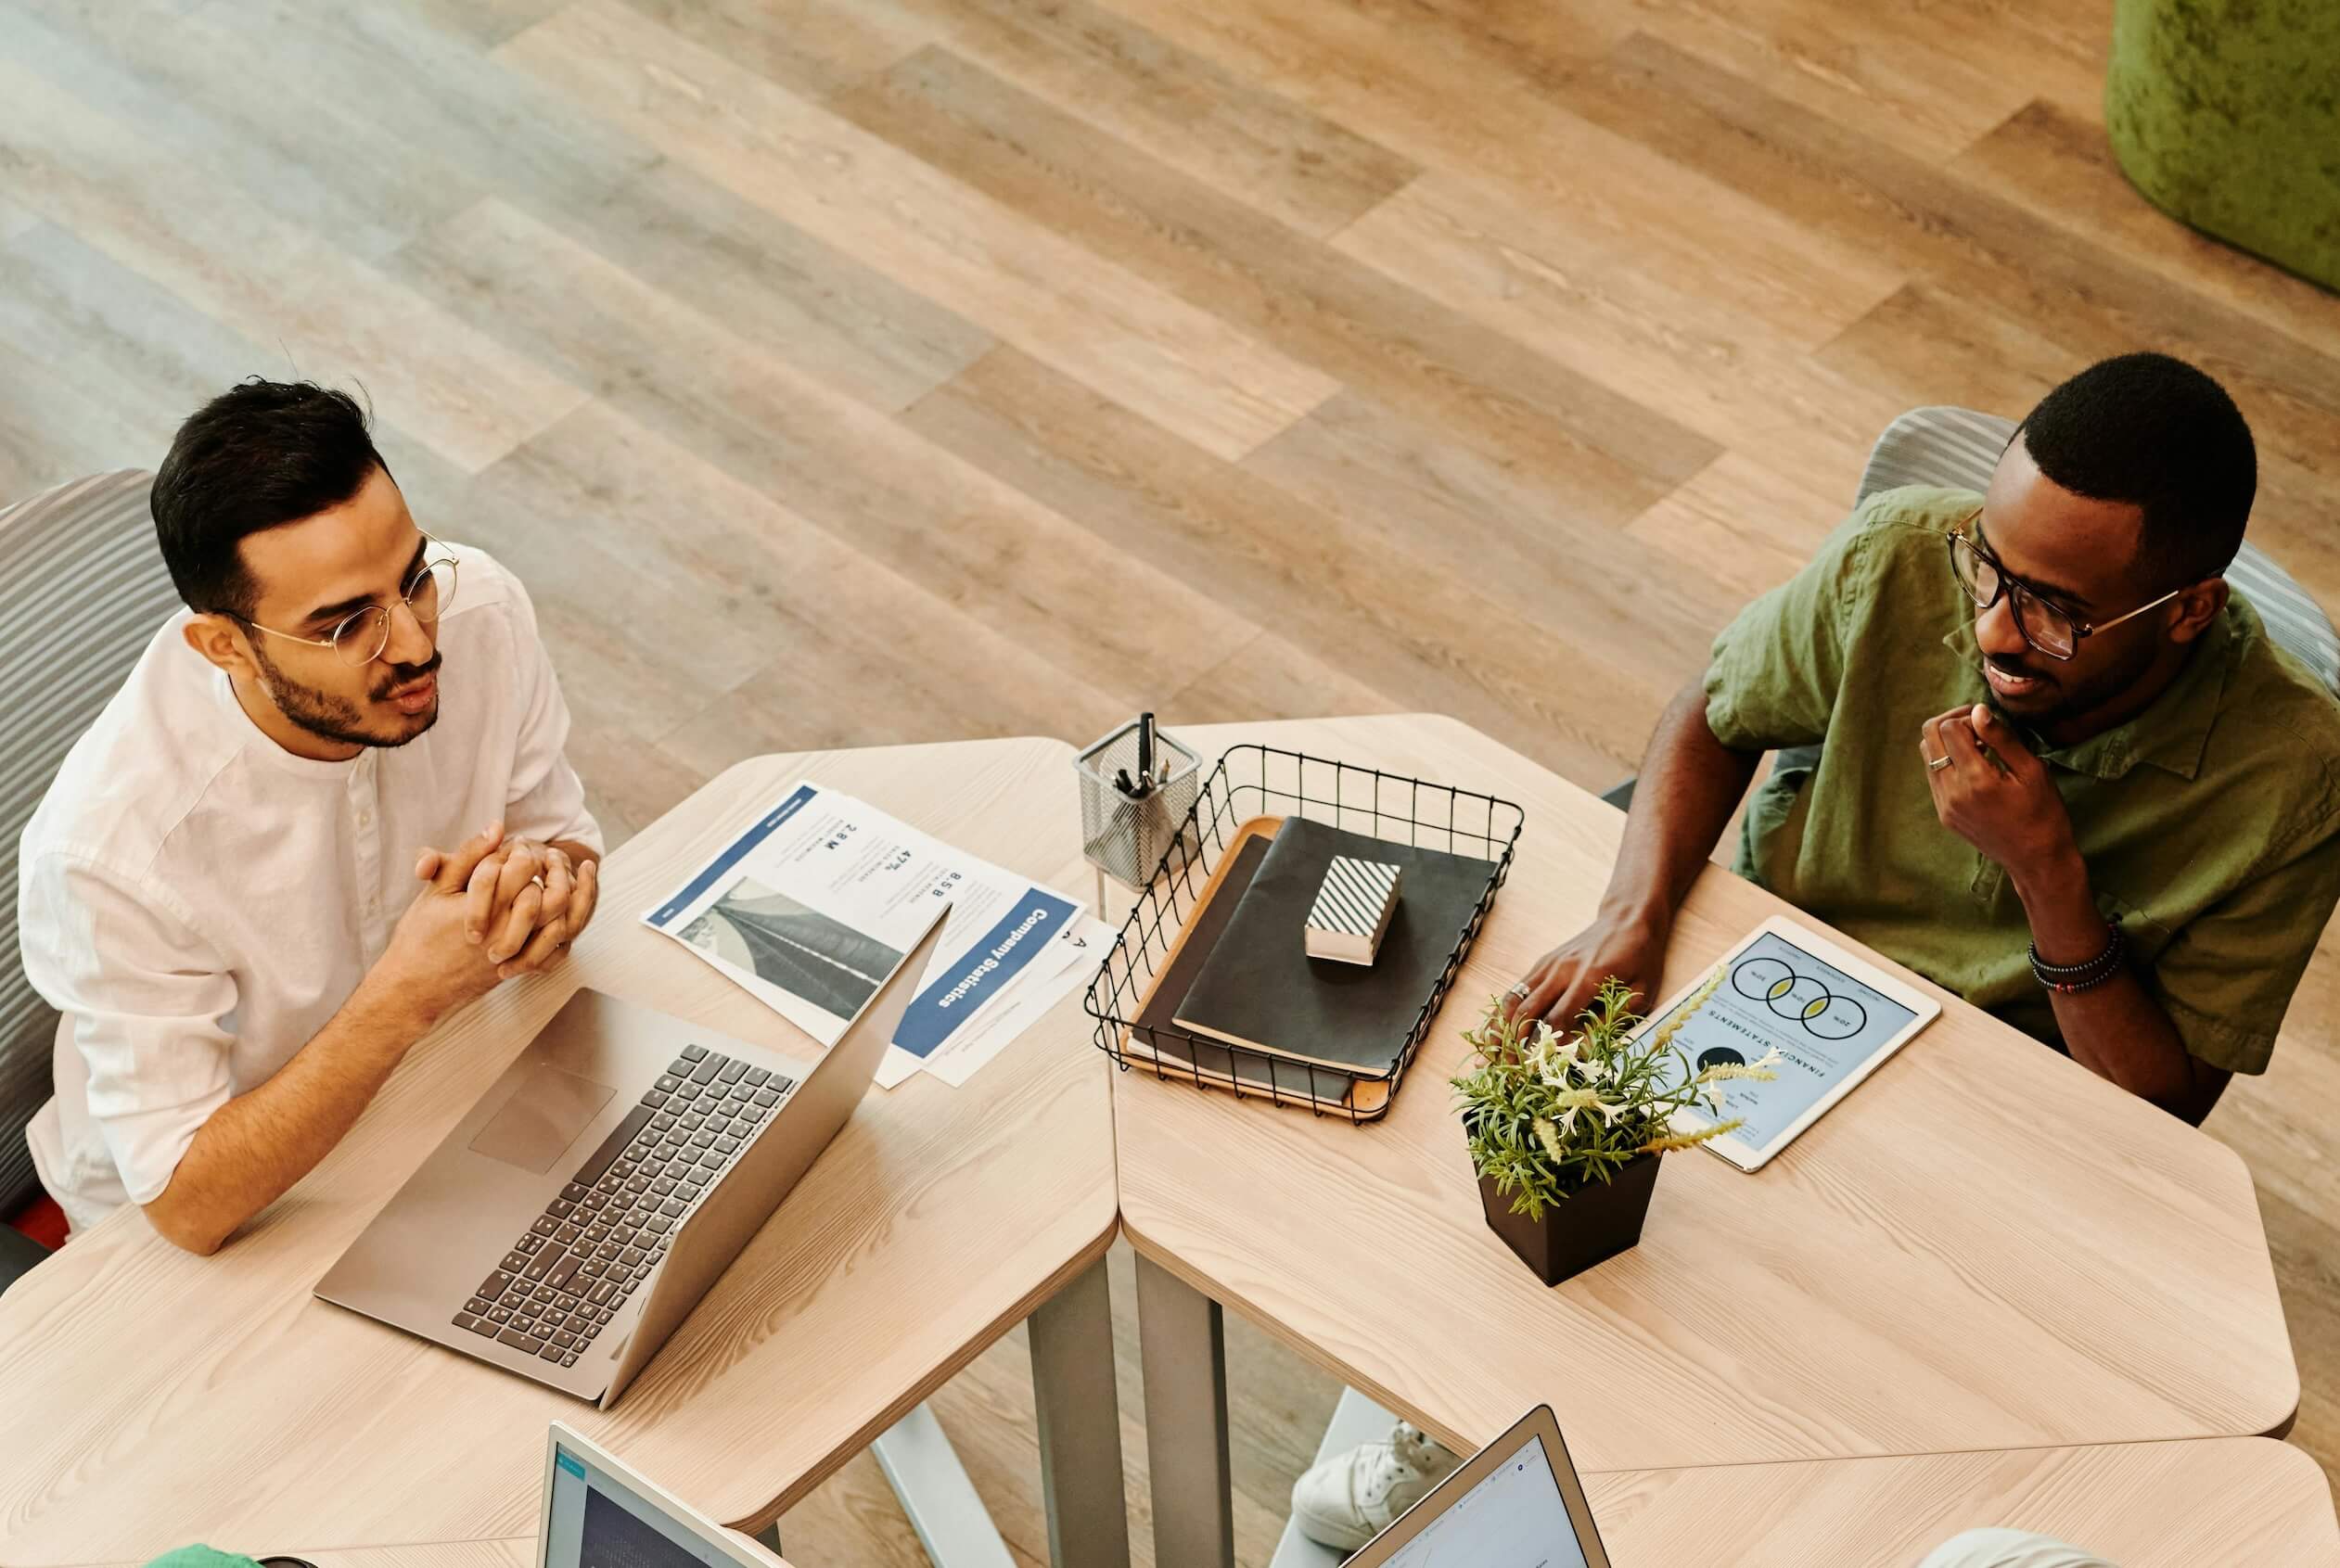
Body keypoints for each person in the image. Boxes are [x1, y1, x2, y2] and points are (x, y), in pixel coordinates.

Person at [1289, 353, 2340, 1549]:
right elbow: (1712, 709)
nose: (1995, 624)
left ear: (2188, 610)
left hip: (2002, 1131)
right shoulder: (1898, 556)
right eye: (1988, 565)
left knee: (1805, 1386)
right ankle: (1487, 1438)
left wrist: (2050, 875)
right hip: (1775, 996)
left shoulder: (2296, 779)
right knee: (1547, 1180)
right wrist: (1636, 911)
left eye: (2056, 607)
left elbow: (2160, 1105)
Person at [19, 379, 603, 1254]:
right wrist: (407, 994)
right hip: (212, 1215)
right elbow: (185, 1204)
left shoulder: (480, 610)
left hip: (439, 1090)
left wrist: (543, 889)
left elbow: (561, 838)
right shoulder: (114, 849)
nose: (413, 642)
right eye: (343, 625)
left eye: (411, 578)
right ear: (224, 646)